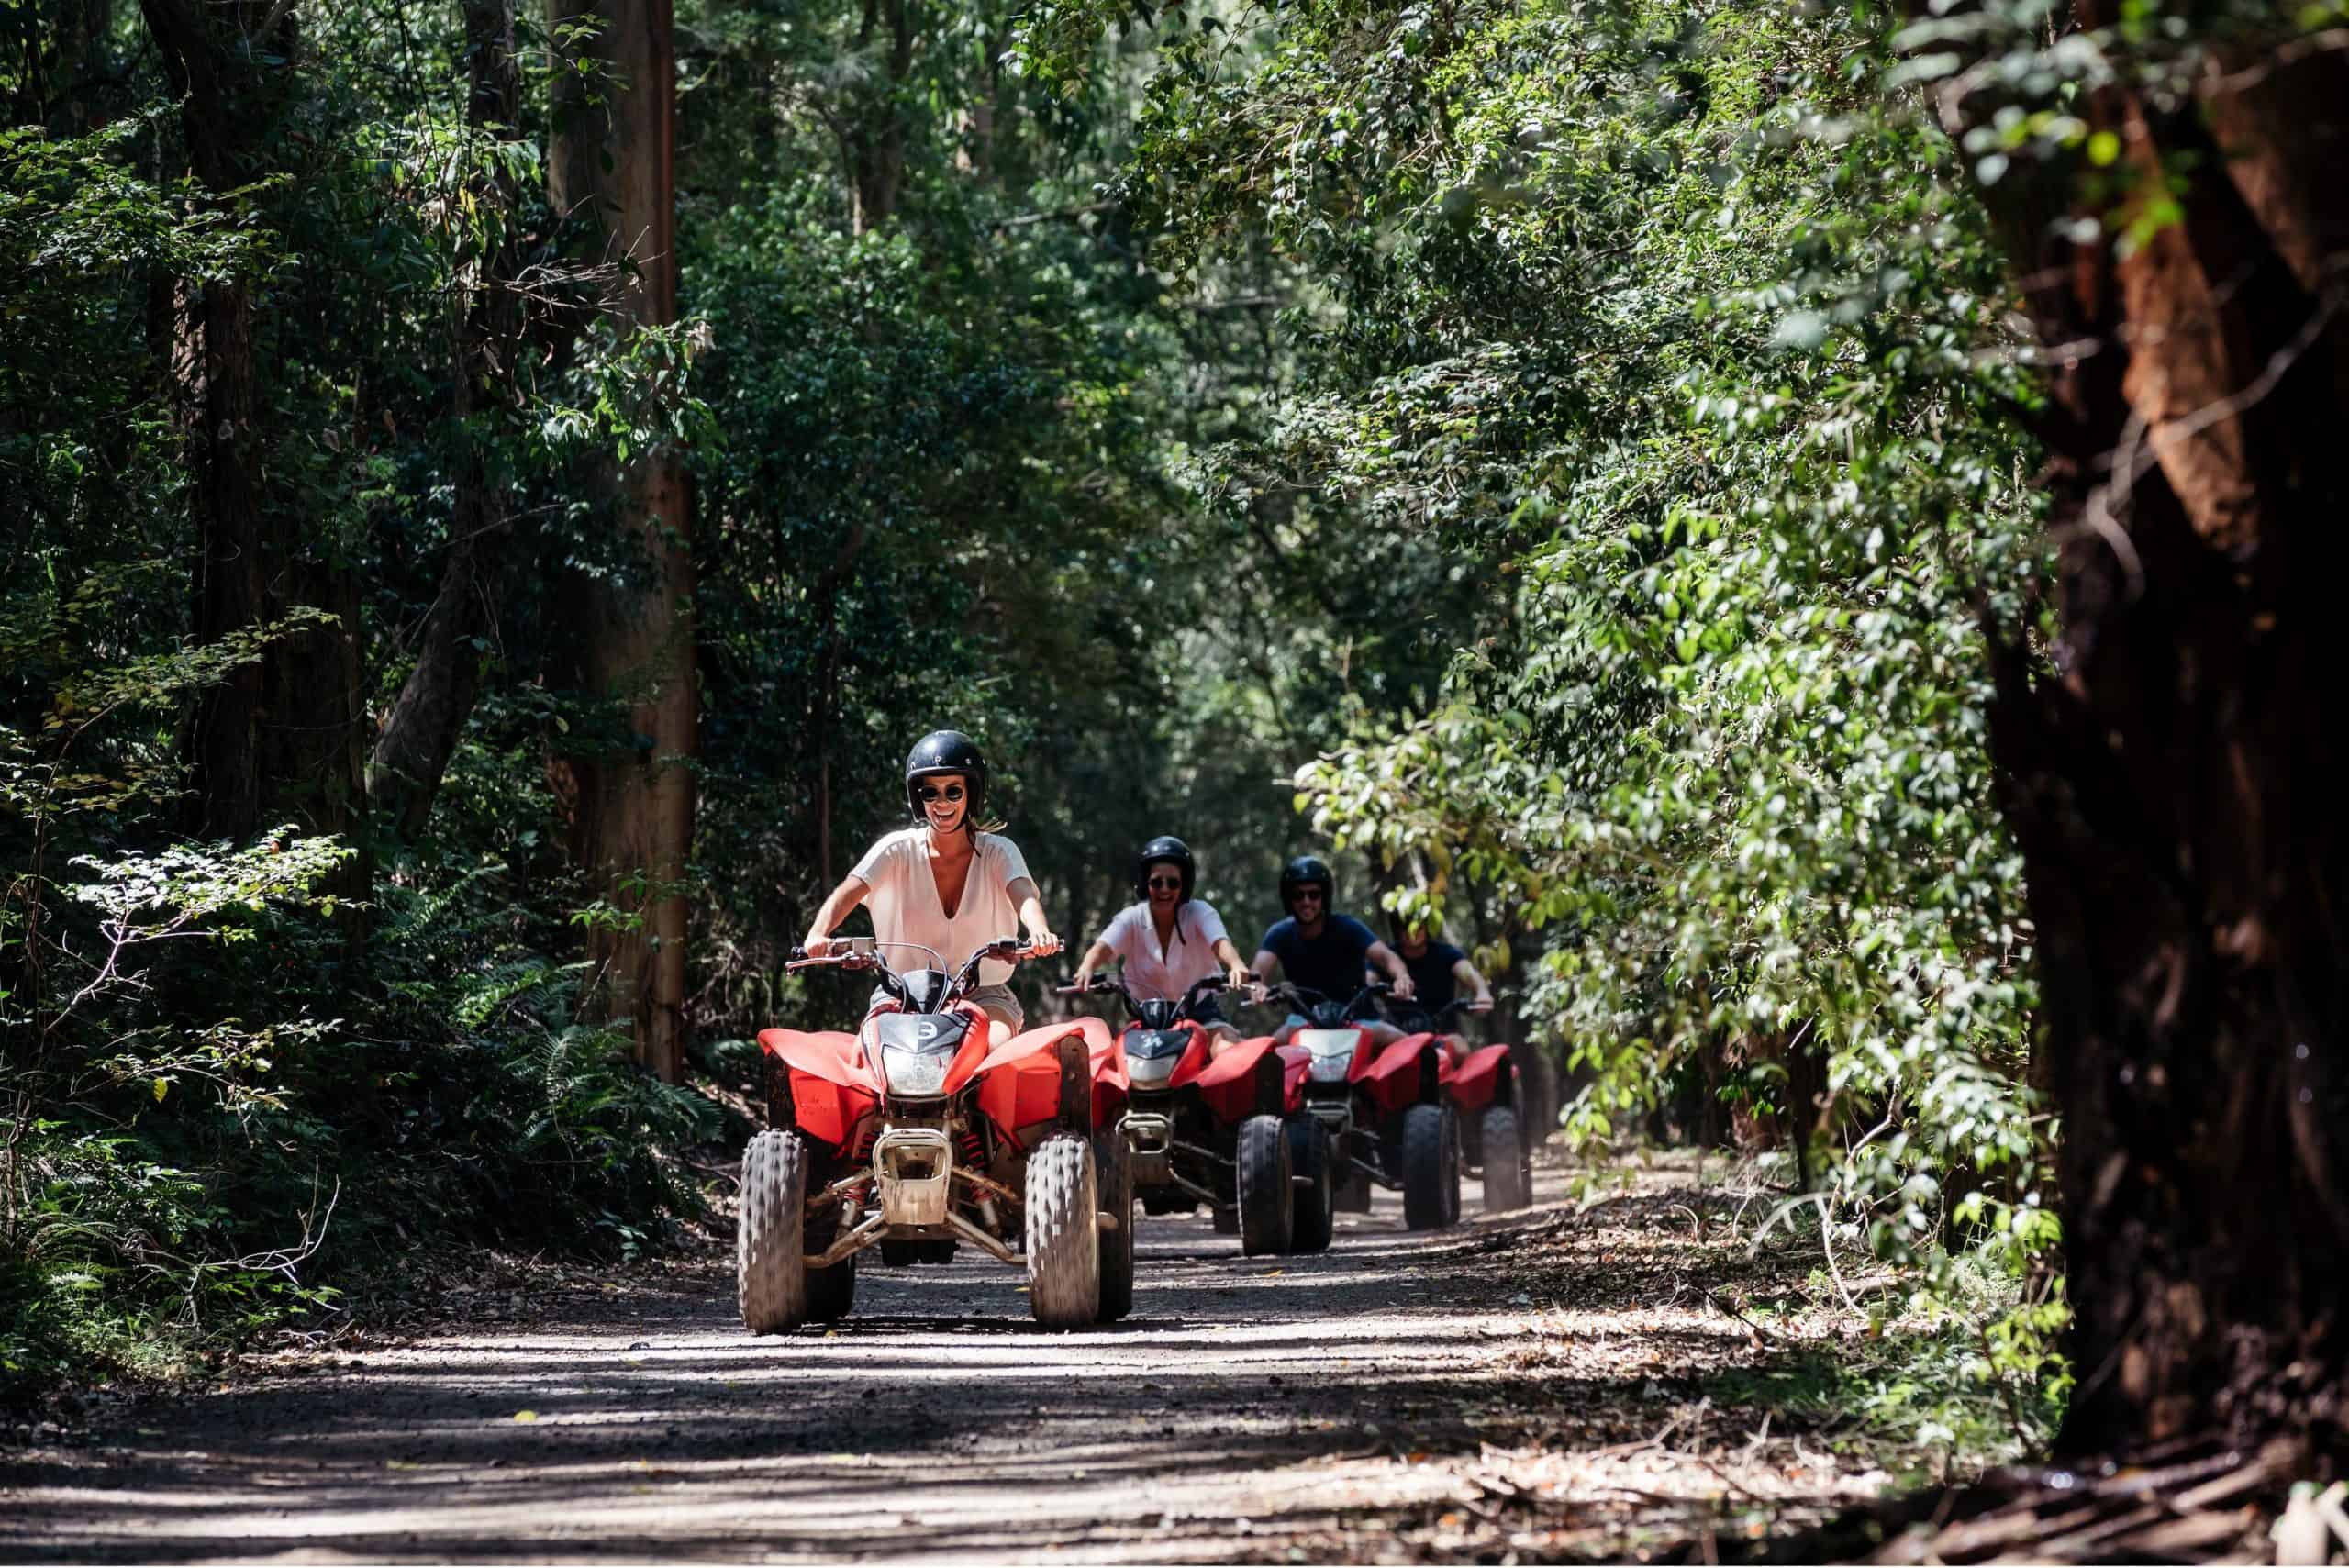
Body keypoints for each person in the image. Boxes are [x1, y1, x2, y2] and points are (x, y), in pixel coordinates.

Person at [801, 729, 1061, 1036]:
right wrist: (818, 934)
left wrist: (1039, 931)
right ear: (918, 798)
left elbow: (1023, 894)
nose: (942, 803)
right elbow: (848, 891)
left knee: (994, 1047)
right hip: (901, 992)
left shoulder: (999, 852)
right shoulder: (896, 849)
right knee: (871, 1048)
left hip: (983, 994)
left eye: (954, 792)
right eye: (930, 793)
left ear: (972, 794)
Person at [1071, 836, 1254, 1046]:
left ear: (1184, 886)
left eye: (1173, 883)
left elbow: (1219, 943)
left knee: (1224, 1050)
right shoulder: (1132, 918)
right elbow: (1103, 948)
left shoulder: (1200, 912)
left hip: (1202, 1014)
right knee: (1117, 1058)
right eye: (1156, 882)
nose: (1165, 889)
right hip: (1147, 1018)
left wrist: (1236, 964)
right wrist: (1086, 968)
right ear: (1144, 884)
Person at [1250, 854, 1414, 1044]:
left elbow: (1386, 957)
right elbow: (1258, 969)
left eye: (1314, 895)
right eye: (1298, 895)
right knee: (1265, 1052)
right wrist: (1257, 987)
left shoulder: (1348, 927)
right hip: (1305, 1022)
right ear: (1289, 899)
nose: (1306, 901)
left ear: (1324, 897)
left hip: (1359, 1020)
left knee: (1409, 1046)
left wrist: (1402, 977)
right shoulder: (1280, 933)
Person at [1384, 914, 1494, 1053]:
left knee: (1460, 1050)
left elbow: (1468, 971)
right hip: (1397, 1033)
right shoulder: (1387, 956)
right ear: (1397, 929)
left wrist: (1482, 991)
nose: (1412, 931)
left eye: (1419, 927)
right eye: (1405, 927)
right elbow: (1369, 977)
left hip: (1443, 1032)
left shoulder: (1446, 952)